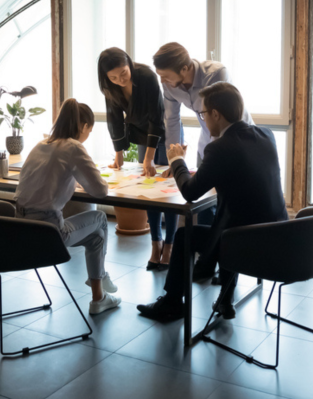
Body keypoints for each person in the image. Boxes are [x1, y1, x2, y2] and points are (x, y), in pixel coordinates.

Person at [137, 82, 288, 321]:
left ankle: (172, 303)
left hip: (245, 244)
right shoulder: (266, 135)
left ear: (216, 114)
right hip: (281, 239)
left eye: (203, 113)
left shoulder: (219, 148)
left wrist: (176, 160)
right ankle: (225, 301)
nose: (203, 119)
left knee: (185, 235)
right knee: (230, 221)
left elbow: (189, 192)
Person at [153, 42, 254, 279]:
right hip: (206, 140)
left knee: (225, 202)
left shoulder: (216, 73)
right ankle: (208, 260)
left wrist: (212, 156)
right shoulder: (169, 85)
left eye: (166, 76)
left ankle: (227, 260)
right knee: (204, 204)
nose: (164, 81)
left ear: (185, 68)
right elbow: (172, 120)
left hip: (235, 140)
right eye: (161, 77)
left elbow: (222, 115)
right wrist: (173, 158)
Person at [14, 98, 121, 315]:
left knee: (96, 236)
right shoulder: (73, 147)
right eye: (89, 130)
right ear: (83, 127)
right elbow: (100, 190)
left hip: (18, 234)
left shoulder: (41, 144)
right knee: (100, 219)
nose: (87, 135)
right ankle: (99, 284)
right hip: (49, 235)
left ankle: (99, 293)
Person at [98, 47, 180, 270]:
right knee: (149, 192)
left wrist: (149, 157)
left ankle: (170, 246)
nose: (120, 80)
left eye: (123, 73)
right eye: (113, 77)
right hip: (144, 135)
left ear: (129, 63)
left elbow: (156, 116)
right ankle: (156, 244)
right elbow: (114, 118)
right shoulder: (110, 86)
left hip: (164, 133)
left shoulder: (146, 77)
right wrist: (118, 154)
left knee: (168, 192)